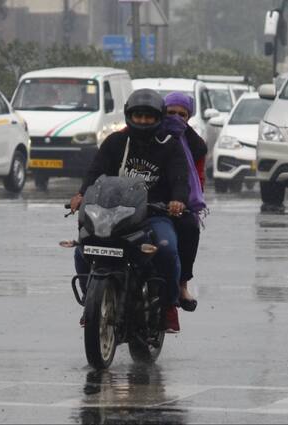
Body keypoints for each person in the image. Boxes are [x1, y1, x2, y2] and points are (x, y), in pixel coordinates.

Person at [69, 89, 190, 333]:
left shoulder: (170, 146)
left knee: (166, 250)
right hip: (113, 213)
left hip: (154, 214)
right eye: (138, 116)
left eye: (148, 116)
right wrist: (82, 194)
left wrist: (177, 200)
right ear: (129, 116)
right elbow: (95, 172)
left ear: (158, 118)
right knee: (83, 250)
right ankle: (91, 302)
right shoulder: (115, 142)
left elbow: (180, 178)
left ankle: (168, 306)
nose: (143, 121)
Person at [163, 92, 208, 313]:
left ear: (189, 117)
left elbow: (197, 178)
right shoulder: (147, 132)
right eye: (170, 112)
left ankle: (182, 285)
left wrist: (184, 201)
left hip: (178, 202)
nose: (176, 117)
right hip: (140, 198)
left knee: (190, 228)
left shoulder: (196, 144)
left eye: (182, 114)